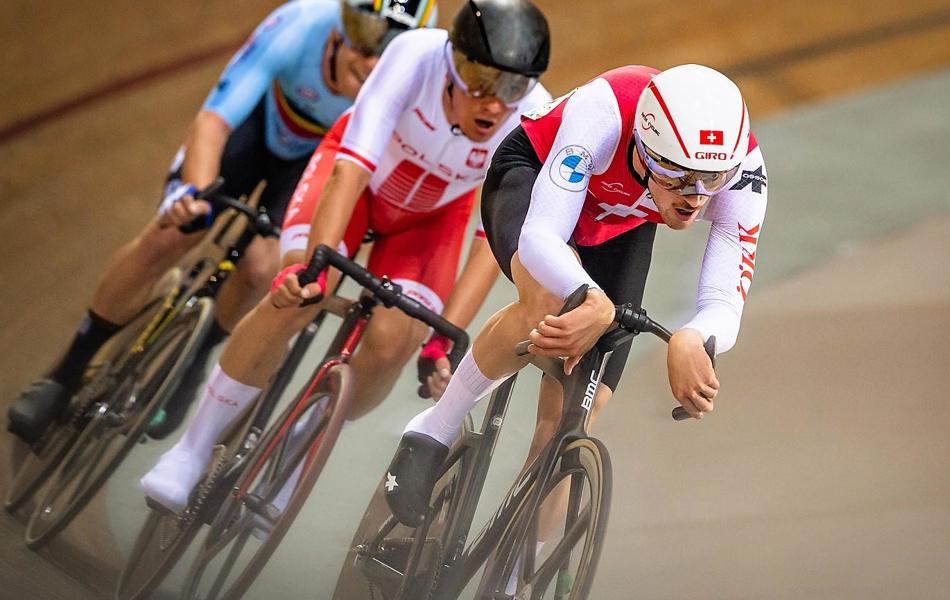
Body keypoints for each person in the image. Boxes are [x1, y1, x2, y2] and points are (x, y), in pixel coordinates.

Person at [138, 0, 553, 513]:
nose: (494, 103)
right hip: (356, 187)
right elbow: (350, 172)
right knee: (298, 296)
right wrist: (311, 267)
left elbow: (493, 240)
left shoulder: (535, 120)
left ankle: (302, 444)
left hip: (429, 219)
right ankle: (192, 449)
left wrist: (444, 339)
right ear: (452, 62)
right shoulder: (413, 57)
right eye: (480, 80)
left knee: (397, 338)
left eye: (513, 87)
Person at [7, 0, 439, 444]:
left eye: (388, 50)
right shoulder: (302, 24)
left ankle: (194, 363)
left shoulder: (412, 82)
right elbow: (214, 121)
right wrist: (192, 196)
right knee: (170, 234)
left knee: (261, 268)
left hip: (317, 163)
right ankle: (66, 373)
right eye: (364, 40)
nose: (371, 61)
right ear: (340, 27)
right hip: (255, 129)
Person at [384, 63, 769, 529]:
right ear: (645, 153)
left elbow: (724, 302)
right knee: (546, 301)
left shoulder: (744, 169)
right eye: (676, 176)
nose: (695, 198)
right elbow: (542, 236)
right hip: (534, 173)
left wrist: (695, 335)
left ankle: (516, 569)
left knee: (579, 409)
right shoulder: (603, 110)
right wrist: (587, 294)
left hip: (618, 220)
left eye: (713, 180)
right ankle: (435, 428)